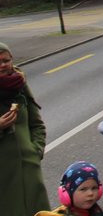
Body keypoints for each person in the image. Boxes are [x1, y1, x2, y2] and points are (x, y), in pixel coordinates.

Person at [0, 42, 49, 215]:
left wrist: (35, 151)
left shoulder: (20, 85)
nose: (3, 65)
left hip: (30, 172)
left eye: (6, 60)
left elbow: (36, 124)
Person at [34, 161, 103, 216]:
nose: (90, 193)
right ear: (67, 194)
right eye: (83, 189)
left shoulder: (95, 210)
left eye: (94, 188)